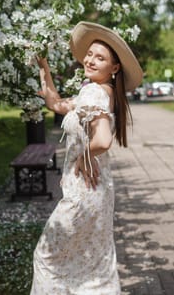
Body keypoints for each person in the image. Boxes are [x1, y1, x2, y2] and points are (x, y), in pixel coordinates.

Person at [30, 21, 143, 295]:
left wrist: (83, 156)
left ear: (115, 68)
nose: (90, 60)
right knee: (94, 264)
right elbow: (57, 104)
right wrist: (44, 69)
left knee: (46, 257)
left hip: (82, 193)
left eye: (100, 57)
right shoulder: (101, 92)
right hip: (100, 194)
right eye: (90, 54)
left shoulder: (93, 92)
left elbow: (102, 140)